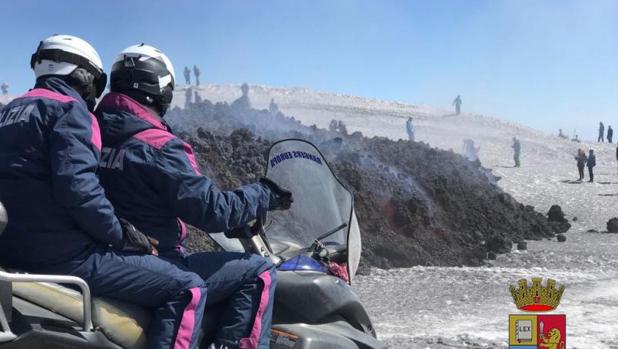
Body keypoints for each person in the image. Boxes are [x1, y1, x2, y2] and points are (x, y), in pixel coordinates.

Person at [0, 35, 206, 349]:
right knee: (189, 287)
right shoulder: (71, 112)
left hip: (11, 249)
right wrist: (120, 235)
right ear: (83, 75)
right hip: (62, 256)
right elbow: (80, 192)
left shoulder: (9, 112)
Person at [96, 44, 293, 349]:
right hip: (156, 259)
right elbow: (212, 212)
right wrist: (263, 194)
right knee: (260, 271)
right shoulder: (158, 145)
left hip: (105, 258)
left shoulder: (90, 134)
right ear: (160, 89)